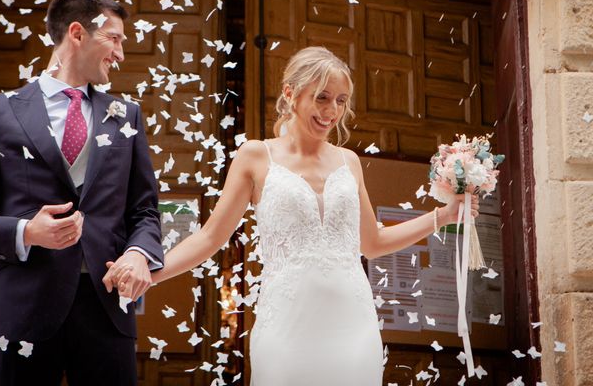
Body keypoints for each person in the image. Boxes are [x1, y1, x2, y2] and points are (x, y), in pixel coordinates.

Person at [106, 46, 480, 385]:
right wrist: (151, 274)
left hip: (353, 327)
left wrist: (443, 216)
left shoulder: (349, 162)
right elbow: (210, 238)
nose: (331, 110)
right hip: (285, 325)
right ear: (290, 94)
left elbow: (373, 243)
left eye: (340, 100)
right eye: (321, 97)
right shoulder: (255, 156)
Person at [0, 0, 163, 385]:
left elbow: (145, 211)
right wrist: (25, 231)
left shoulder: (127, 116)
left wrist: (139, 253)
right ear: (78, 33)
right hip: (23, 310)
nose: (120, 54)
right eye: (114, 38)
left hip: (107, 311)